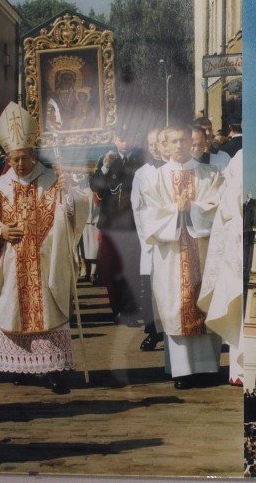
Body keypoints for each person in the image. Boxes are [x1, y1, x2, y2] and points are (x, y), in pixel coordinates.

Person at [0, 102, 88, 394]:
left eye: (24, 158)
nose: (19, 165)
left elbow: (76, 212)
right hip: (11, 264)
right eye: (14, 159)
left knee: (47, 311)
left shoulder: (52, 181)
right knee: (12, 309)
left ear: (33, 154)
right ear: (7, 158)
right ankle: (19, 367)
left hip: (46, 264)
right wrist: (0, 231)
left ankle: (53, 370)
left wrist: (69, 194)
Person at [138, 124, 222, 389]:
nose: (179, 146)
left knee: (204, 302)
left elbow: (219, 208)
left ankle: (208, 368)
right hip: (171, 254)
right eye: (173, 141)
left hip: (204, 251)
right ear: (165, 144)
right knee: (178, 305)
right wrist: (176, 209)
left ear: (193, 141)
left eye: (183, 140)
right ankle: (182, 370)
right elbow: (147, 215)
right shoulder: (155, 178)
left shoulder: (210, 174)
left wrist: (193, 208)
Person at [197, 150, 244, 385]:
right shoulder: (240, 158)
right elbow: (229, 200)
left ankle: (240, 370)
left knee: (241, 307)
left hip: (239, 232)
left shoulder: (240, 157)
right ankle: (238, 370)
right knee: (237, 306)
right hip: (237, 234)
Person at [90, 128, 143, 325]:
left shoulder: (140, 159)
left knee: (131, 266)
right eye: (120, 138)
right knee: (111, 268)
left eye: (128, 136)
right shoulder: (106, 160)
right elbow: (95, 186)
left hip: (132, 223)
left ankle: (130, 309)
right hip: (111, 224)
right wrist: (104, 167)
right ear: (114, 139)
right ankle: (117, 308)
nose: (124, 141)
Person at [131, 126, 165, 351]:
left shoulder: (173, 170)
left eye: (157, 142)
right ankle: (153, 332)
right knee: (150, 290)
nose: (154, 147)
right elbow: (137, 207)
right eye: (150, 143)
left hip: (172, 238)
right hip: (150, 239)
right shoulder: (141, 173)